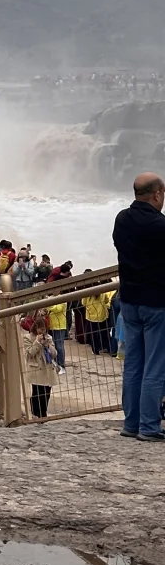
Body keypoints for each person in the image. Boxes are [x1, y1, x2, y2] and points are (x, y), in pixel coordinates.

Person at [112, 172, 165, 440]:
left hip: (129, 302)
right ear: (157, 194)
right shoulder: (160, 225)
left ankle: (131, 424)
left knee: (134, 363)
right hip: (156, 303)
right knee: (155, 365)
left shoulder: (122, 219)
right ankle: (149, 427)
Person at [24, 310, 59, 421]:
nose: (42, 332)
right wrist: (37, 343)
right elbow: (30, 353)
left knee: (46, 394)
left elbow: (54, 354)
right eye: (40, 329)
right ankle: (35, 414)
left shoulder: (49, 338)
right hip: (36, 370)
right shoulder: (28, 338)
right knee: (37, 393)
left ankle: (43, 415)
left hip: (48, 369)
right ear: (36, 328)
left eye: (44, 330)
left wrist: (48, 345)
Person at [83, 286, 114, 356]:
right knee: (105, 333)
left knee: (93, 335)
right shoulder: (103, 293)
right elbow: (106, 301)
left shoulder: (87, 295)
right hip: (102, 316)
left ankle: (95, 350)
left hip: (91, 317)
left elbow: (83, 303)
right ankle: (109, 349)